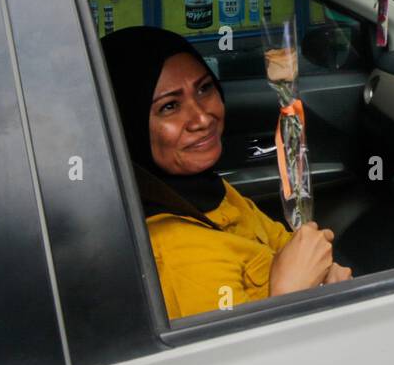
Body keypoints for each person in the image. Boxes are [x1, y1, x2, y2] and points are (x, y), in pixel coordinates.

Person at [101, 27, 350, 320]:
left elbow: (290, 246)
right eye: (170, 106)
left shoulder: (202, 192)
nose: (202, 118)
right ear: (127, 125)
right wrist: (290, 295)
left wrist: (320, 272)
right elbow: (237, 363)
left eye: (204, 88)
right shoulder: (176, 257)